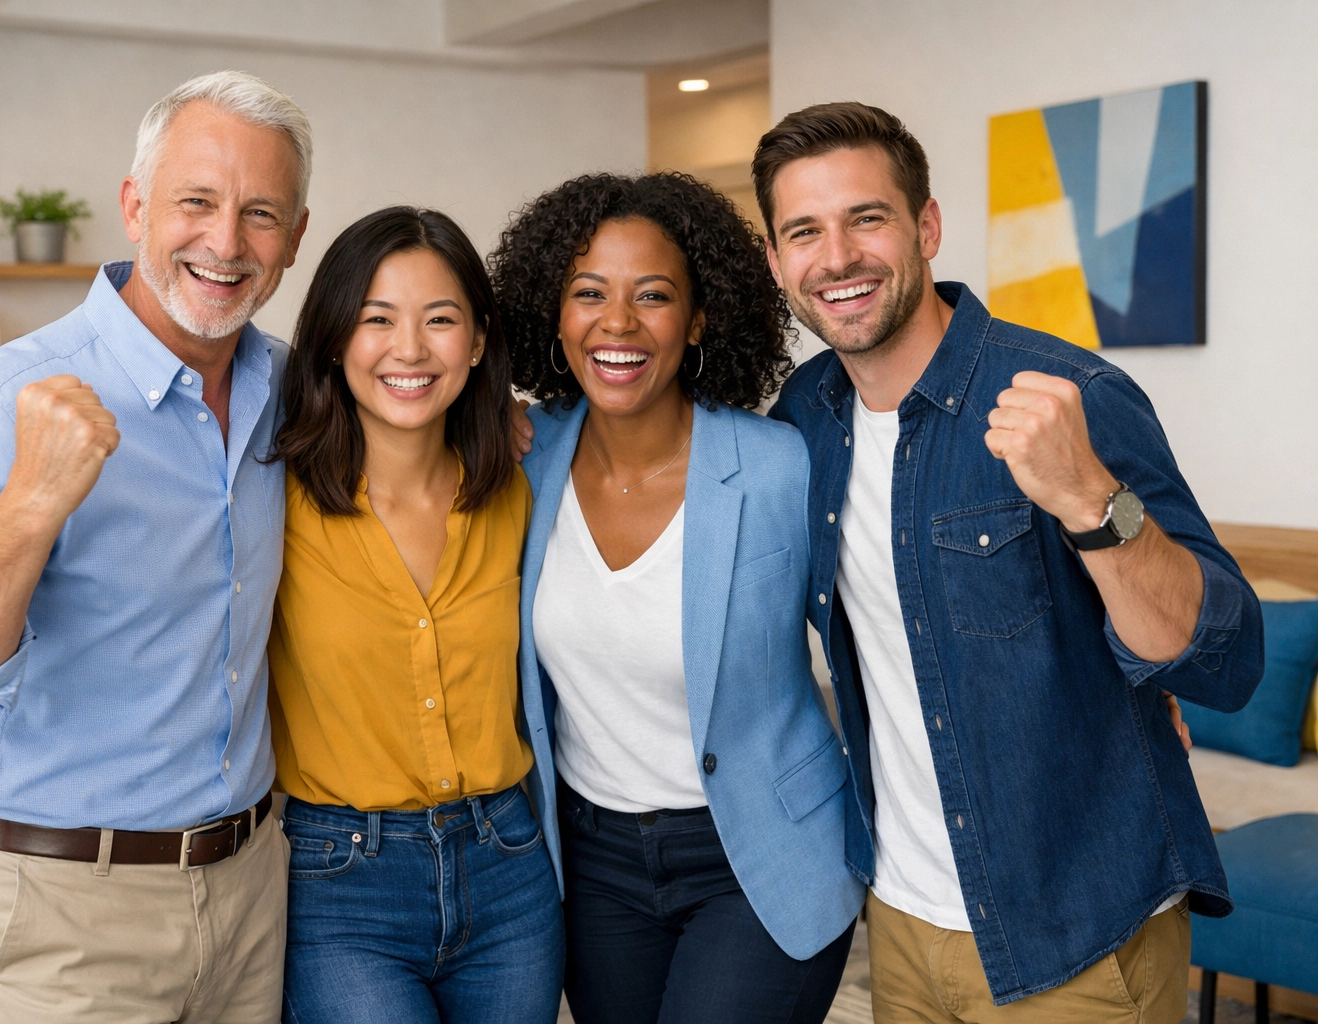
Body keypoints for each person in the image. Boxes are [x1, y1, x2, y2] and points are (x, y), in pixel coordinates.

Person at [756, 103, 1263, 1022]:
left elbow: (1222, 662)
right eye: (804, 231)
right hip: (901, 924)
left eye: (866, 218)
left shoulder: (1069, 396)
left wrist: (1092, 505)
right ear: (776, 260)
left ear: (926, 227)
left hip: (1080, 929)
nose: (836, 257)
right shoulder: (805, 417)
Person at [0, 70, 312, 1023]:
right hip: (62, 911)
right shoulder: (4, 401)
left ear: (296, 238)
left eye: (260, 213)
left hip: (255, 894)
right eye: (196, 201)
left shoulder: (297, 390)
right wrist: (30, 503)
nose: (226, 243)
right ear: (135, 207)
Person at [492, 172, 864, 1024]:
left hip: (758, 853)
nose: (616, 323)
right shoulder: (523, 456)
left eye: (652, 296)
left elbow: (879, 624)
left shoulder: (779, 466)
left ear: (698, 319)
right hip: (592, 869)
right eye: (589, 293)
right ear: (555, 313)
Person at [265, 206, 563, 1024]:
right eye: (376, 320)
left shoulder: (518, 487)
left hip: (508, 866)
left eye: (440, 320)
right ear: (332, 339)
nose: (409, 349)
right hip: (340, 884)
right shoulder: (271, 498)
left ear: (476, 342)